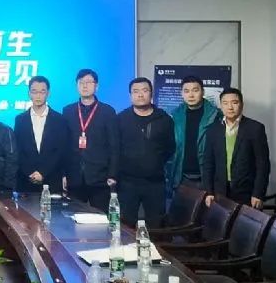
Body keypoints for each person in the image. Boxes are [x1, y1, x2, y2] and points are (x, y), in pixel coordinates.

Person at [117, 77, 175, 228]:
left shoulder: (164, 119)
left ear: (151, 93)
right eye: (135, 91)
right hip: (127, 182)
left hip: (155, 182)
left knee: (156, 224)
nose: (140, 95)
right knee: (126, 225)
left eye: (144, 90)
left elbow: (170, 147)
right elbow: (116, 148)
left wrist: (155, 161)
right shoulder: (121, 119)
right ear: (130, 95)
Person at [62, 69, 119, 212]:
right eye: (81, 82)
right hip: (74, 177)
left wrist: (112, 174)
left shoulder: (108, 111)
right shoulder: (68, 111)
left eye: (88, 82)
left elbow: (114, 145)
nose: (84, 86)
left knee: (99, 218)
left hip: (100, 178)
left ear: (96, 86)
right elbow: (64, 146)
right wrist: (63, 174)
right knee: (73, 218)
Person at [203, 88, 270, 208]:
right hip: (220, 192)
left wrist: (258, 193)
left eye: (234, 102)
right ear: (221, 106)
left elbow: (262, 164)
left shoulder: (255, 128)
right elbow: (208, 163)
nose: (230, 107)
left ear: (241, 105)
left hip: (246, 192)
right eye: (225, 103)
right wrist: (209, 192)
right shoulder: (213, 129)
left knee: (244, 221)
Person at [166, 76, 221, 195]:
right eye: (186, 91)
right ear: (181, 94)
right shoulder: (174, 116)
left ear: (203, 92)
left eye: (195, 90)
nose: (191, 95)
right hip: (181, 177)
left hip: (207, 177)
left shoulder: (216, 115)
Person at [14, 76, 69, 194]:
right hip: (26, 180)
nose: (38, 96)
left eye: (42, 92)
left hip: (52, 180)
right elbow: (18, 149)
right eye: (34, 91)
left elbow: (61, 150)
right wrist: (30, 172)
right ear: (29, 93)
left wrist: (43, 172)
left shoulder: (59, 120)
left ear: (48, 93)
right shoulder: (20, 119)